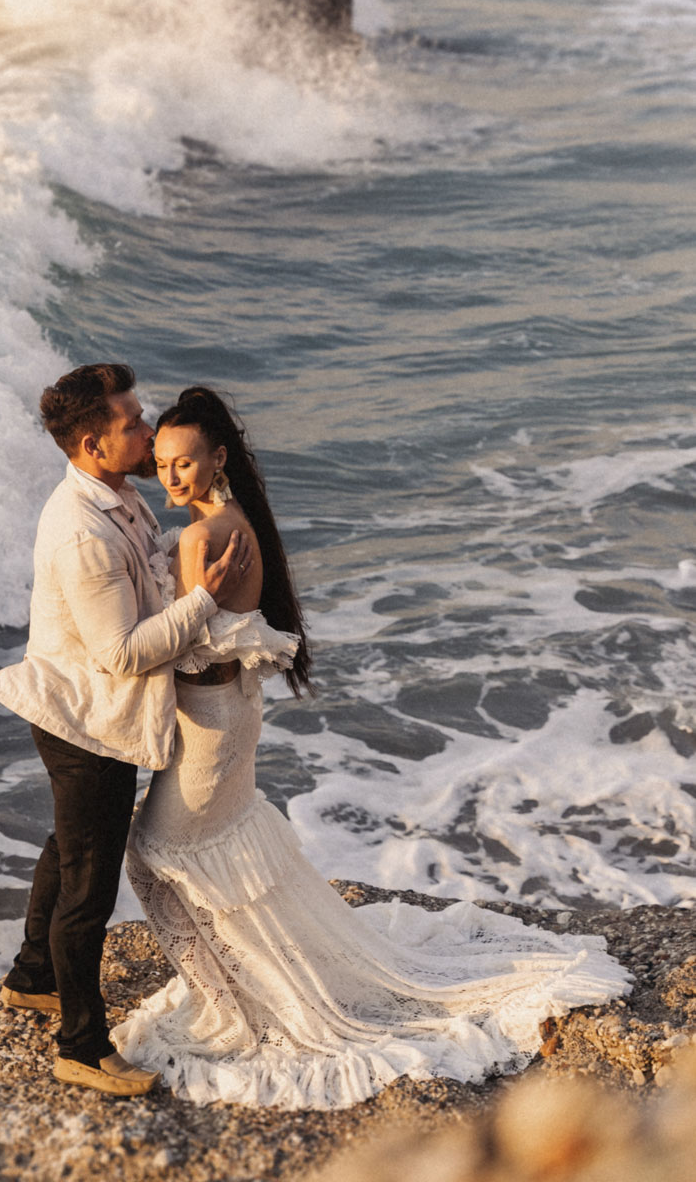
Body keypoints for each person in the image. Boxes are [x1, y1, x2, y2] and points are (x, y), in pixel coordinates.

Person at [112, 386, 631, 1110]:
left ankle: (230, 1006)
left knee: (155, 852)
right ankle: (239, 987)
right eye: (162, 464)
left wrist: (129, 644)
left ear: (217, 458)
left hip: (210, 726)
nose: (171, 477)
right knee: (211, 849)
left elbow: (194, 653)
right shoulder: (236, 522)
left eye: (185, 463)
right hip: (231, 718)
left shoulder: (202, 539)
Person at [0, 363, 250, 1097]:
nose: (147, 426)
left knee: (71, 845)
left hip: (83, 709)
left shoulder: (117, 495)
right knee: (89, 889)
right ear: (95, 443)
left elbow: (140, 581)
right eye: (132, 422)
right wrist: (205, 601)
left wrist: (186, 551)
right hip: (87, 724)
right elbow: (121, 653)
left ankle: (33, 977)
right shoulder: (82, 533)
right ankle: (81, 1046)